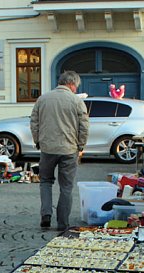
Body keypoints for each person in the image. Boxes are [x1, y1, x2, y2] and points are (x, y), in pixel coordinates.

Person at [30, 70, 89, 230]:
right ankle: (63, 223)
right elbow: (84, 126)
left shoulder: (43, 99)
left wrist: (38, 141)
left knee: (45, 181)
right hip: (69, 149)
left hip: (47, 148)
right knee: (66, 187)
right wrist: (81, 145)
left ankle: (46, 214)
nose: (76, 89)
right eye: (75, 86)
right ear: (71, 84)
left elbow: (34, 122)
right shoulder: (76, 101)